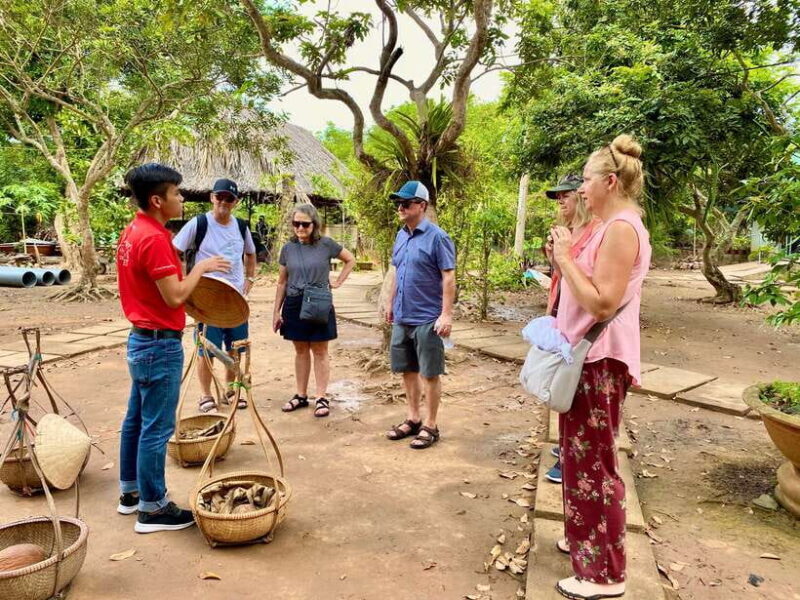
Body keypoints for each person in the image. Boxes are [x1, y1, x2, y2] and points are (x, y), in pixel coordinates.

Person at [550, 135, 651, 600]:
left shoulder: (623, 229)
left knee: (595, 464)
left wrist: (566, 258)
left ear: (610, 181)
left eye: (587, 180)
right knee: (575, 458)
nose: (582, 189)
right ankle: (582, 539)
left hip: (601, 359)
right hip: (584, 359)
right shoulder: (607, 224)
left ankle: (604, 575)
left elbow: (603, 302)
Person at [116, 163, 230, 533]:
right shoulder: (155, 239)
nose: (181, 199)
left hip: (140, 339)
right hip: (158, 345)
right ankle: (153, 508)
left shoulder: (133, 231)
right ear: (157, 199)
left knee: (136, 419)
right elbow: (175, 295)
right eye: (176, 193)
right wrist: (202, 268)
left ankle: (130, 492)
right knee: (156, 427)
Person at [173, 178, 256, 413]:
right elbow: (174, 251)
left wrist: (249, 280)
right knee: (206, 348)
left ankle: (233, 389)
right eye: (220, 197)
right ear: (212, 197)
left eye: (229, 198)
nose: (224, 202)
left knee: (236, 347)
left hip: (235, 299)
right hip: (206, 301)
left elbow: (250, 254)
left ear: (236, 202)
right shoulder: (198, 224)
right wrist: (184, 284)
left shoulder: (241, 227)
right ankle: (206, 395)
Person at [384, 181, 455, 450]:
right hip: (403, 317)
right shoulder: (401, 235)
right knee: (407, 370)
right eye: (398, 203)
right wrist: (390, 303)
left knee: (430, 373)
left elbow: (448, 276)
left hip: (427, 318)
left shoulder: (438, 237)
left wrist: (446, 315)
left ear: (422, 206)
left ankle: (431, 425)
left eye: (407, 203)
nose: (400, 207)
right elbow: (396, 272)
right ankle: (413, 418)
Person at [542, 174, 601, 485]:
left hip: (585, 325)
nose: (560, 200)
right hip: (562, 311)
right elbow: (562, 277)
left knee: (576, 390)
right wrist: (555, 258)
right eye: (557, 196)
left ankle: (570, 458)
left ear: (581, 195)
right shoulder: (570, 232)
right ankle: (565, 444)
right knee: (561, 383)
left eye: (565, 194)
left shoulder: (595, 233)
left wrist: (564, 256)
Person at [273, 203, 356, 417]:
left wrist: (337, 281)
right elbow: (282, 282)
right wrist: (276, 312)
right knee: (300, 350)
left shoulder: (326, 244)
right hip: (293, 302)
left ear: (314, 224)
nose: (300, 228)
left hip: (318, 301)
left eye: (305, 224)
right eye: (296, 224)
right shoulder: (288, 249)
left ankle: (321, 397)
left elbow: (350, 259)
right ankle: (301, 395)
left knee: (320, 350)